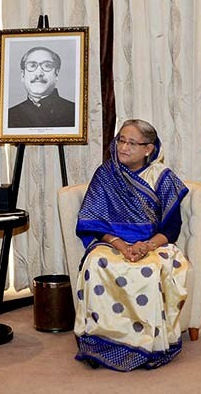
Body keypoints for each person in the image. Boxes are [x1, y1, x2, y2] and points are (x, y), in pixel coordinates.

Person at [73, 119, 190, 371]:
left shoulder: (162, 177)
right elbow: (93, 221)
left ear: (148, 149)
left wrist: (146, 246)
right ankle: (101, 341)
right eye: (121, 141)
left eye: (132, 143)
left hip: (153, 244)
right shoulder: (106, 174)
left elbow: (172, 228)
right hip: (111, 243)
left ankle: (147, 343)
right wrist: (119, 244)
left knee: (149, 271)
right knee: (96, 264)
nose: (123, 147)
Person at [7, 46, 76, 128]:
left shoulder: (74, 112)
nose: (39, 73)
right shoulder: (9, 116)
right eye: (32, 66)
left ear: (56, 74)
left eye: (47, 66)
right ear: (23, 75)